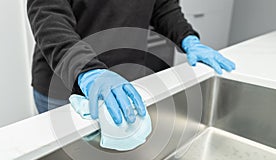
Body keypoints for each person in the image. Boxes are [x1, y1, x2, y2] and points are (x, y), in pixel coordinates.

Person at [27, 0, 235, 124]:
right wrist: (88, 70)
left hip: (122, 81)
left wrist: (188, 39)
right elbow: (49, 17)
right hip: (64, 84)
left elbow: (163, 6)